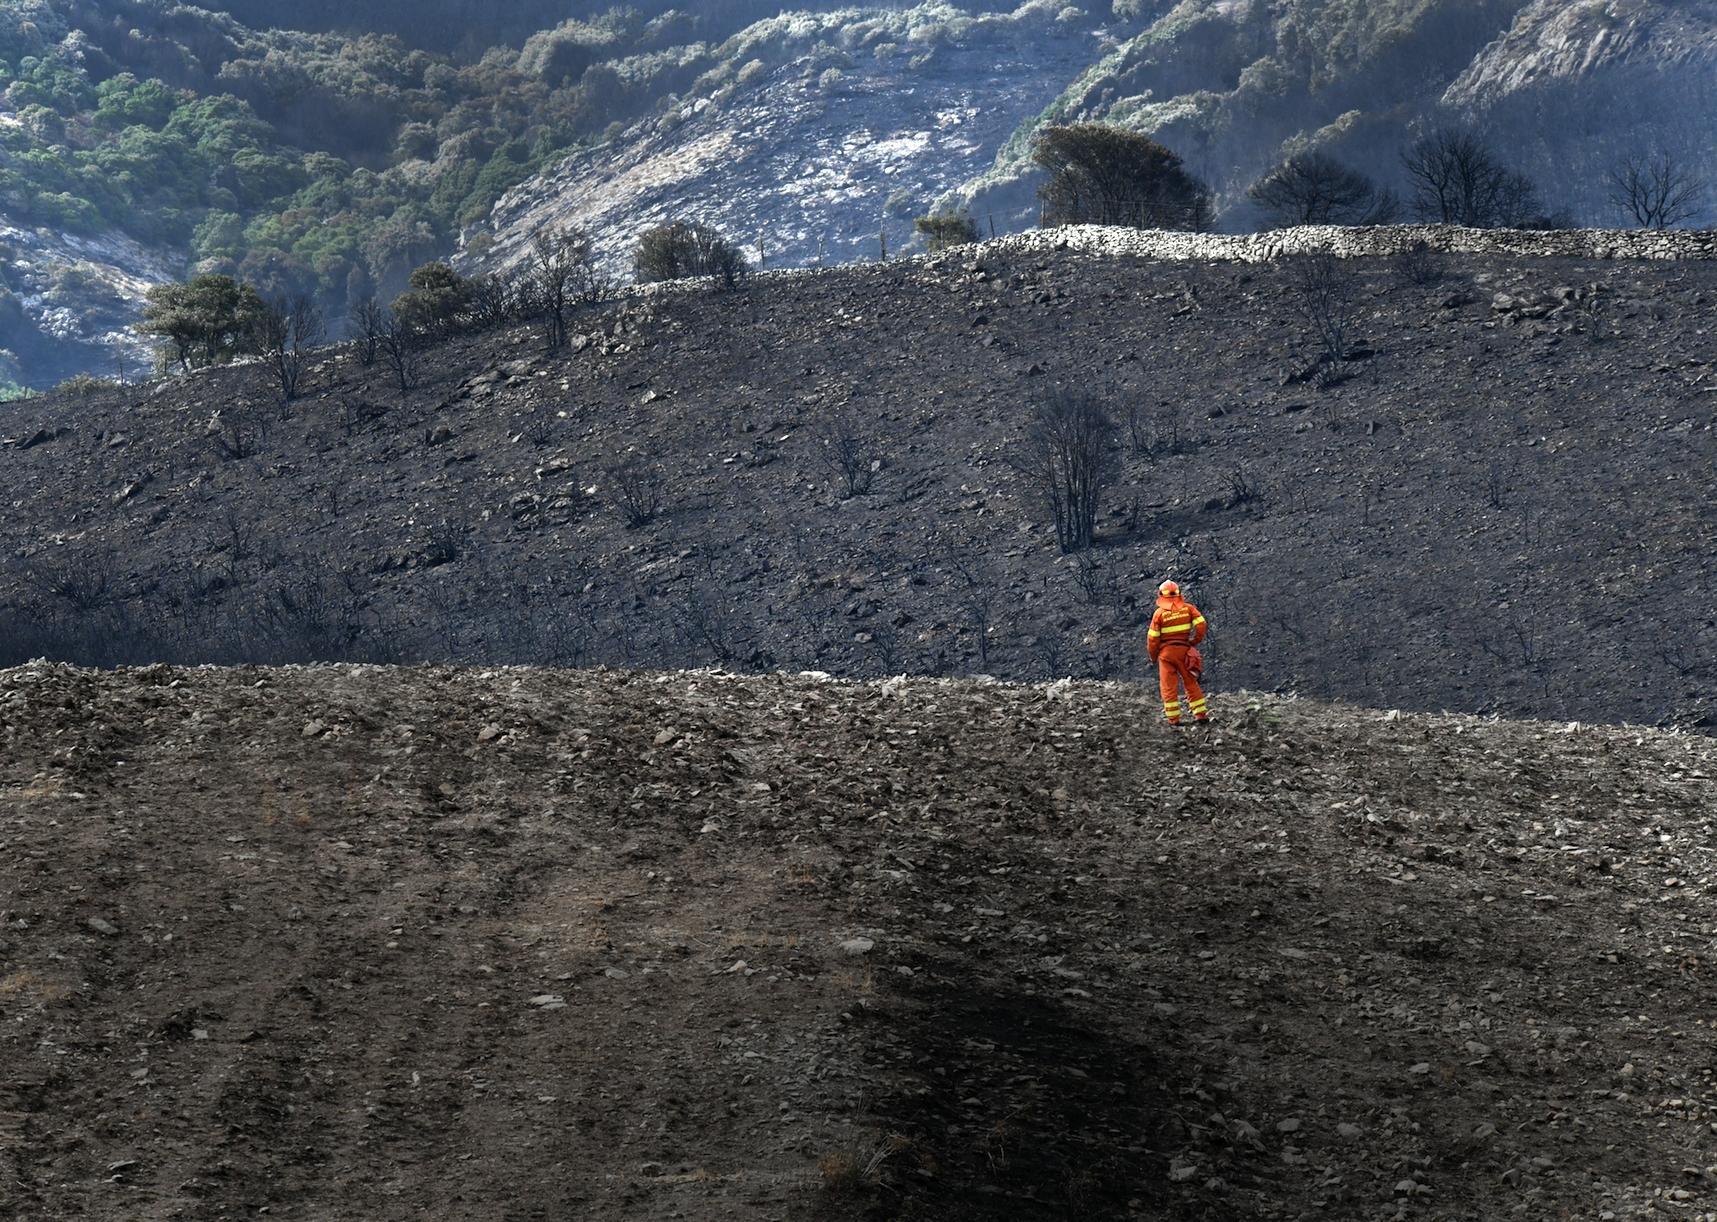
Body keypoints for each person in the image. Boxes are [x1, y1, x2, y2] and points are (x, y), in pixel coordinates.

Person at [1147, 580, 1209, 726]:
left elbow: (1152, 639)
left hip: (1166, 655)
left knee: (1168, 687)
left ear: (1161, 595)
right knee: (1191, 682)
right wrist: (1194, 641)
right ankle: (1200, 715)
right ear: (1179, 593)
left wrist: (1153, 656)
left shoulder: (1159, 614)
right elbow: (1201, 624)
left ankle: (1173, 719)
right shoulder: (1188, 609)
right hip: (1184, 652)